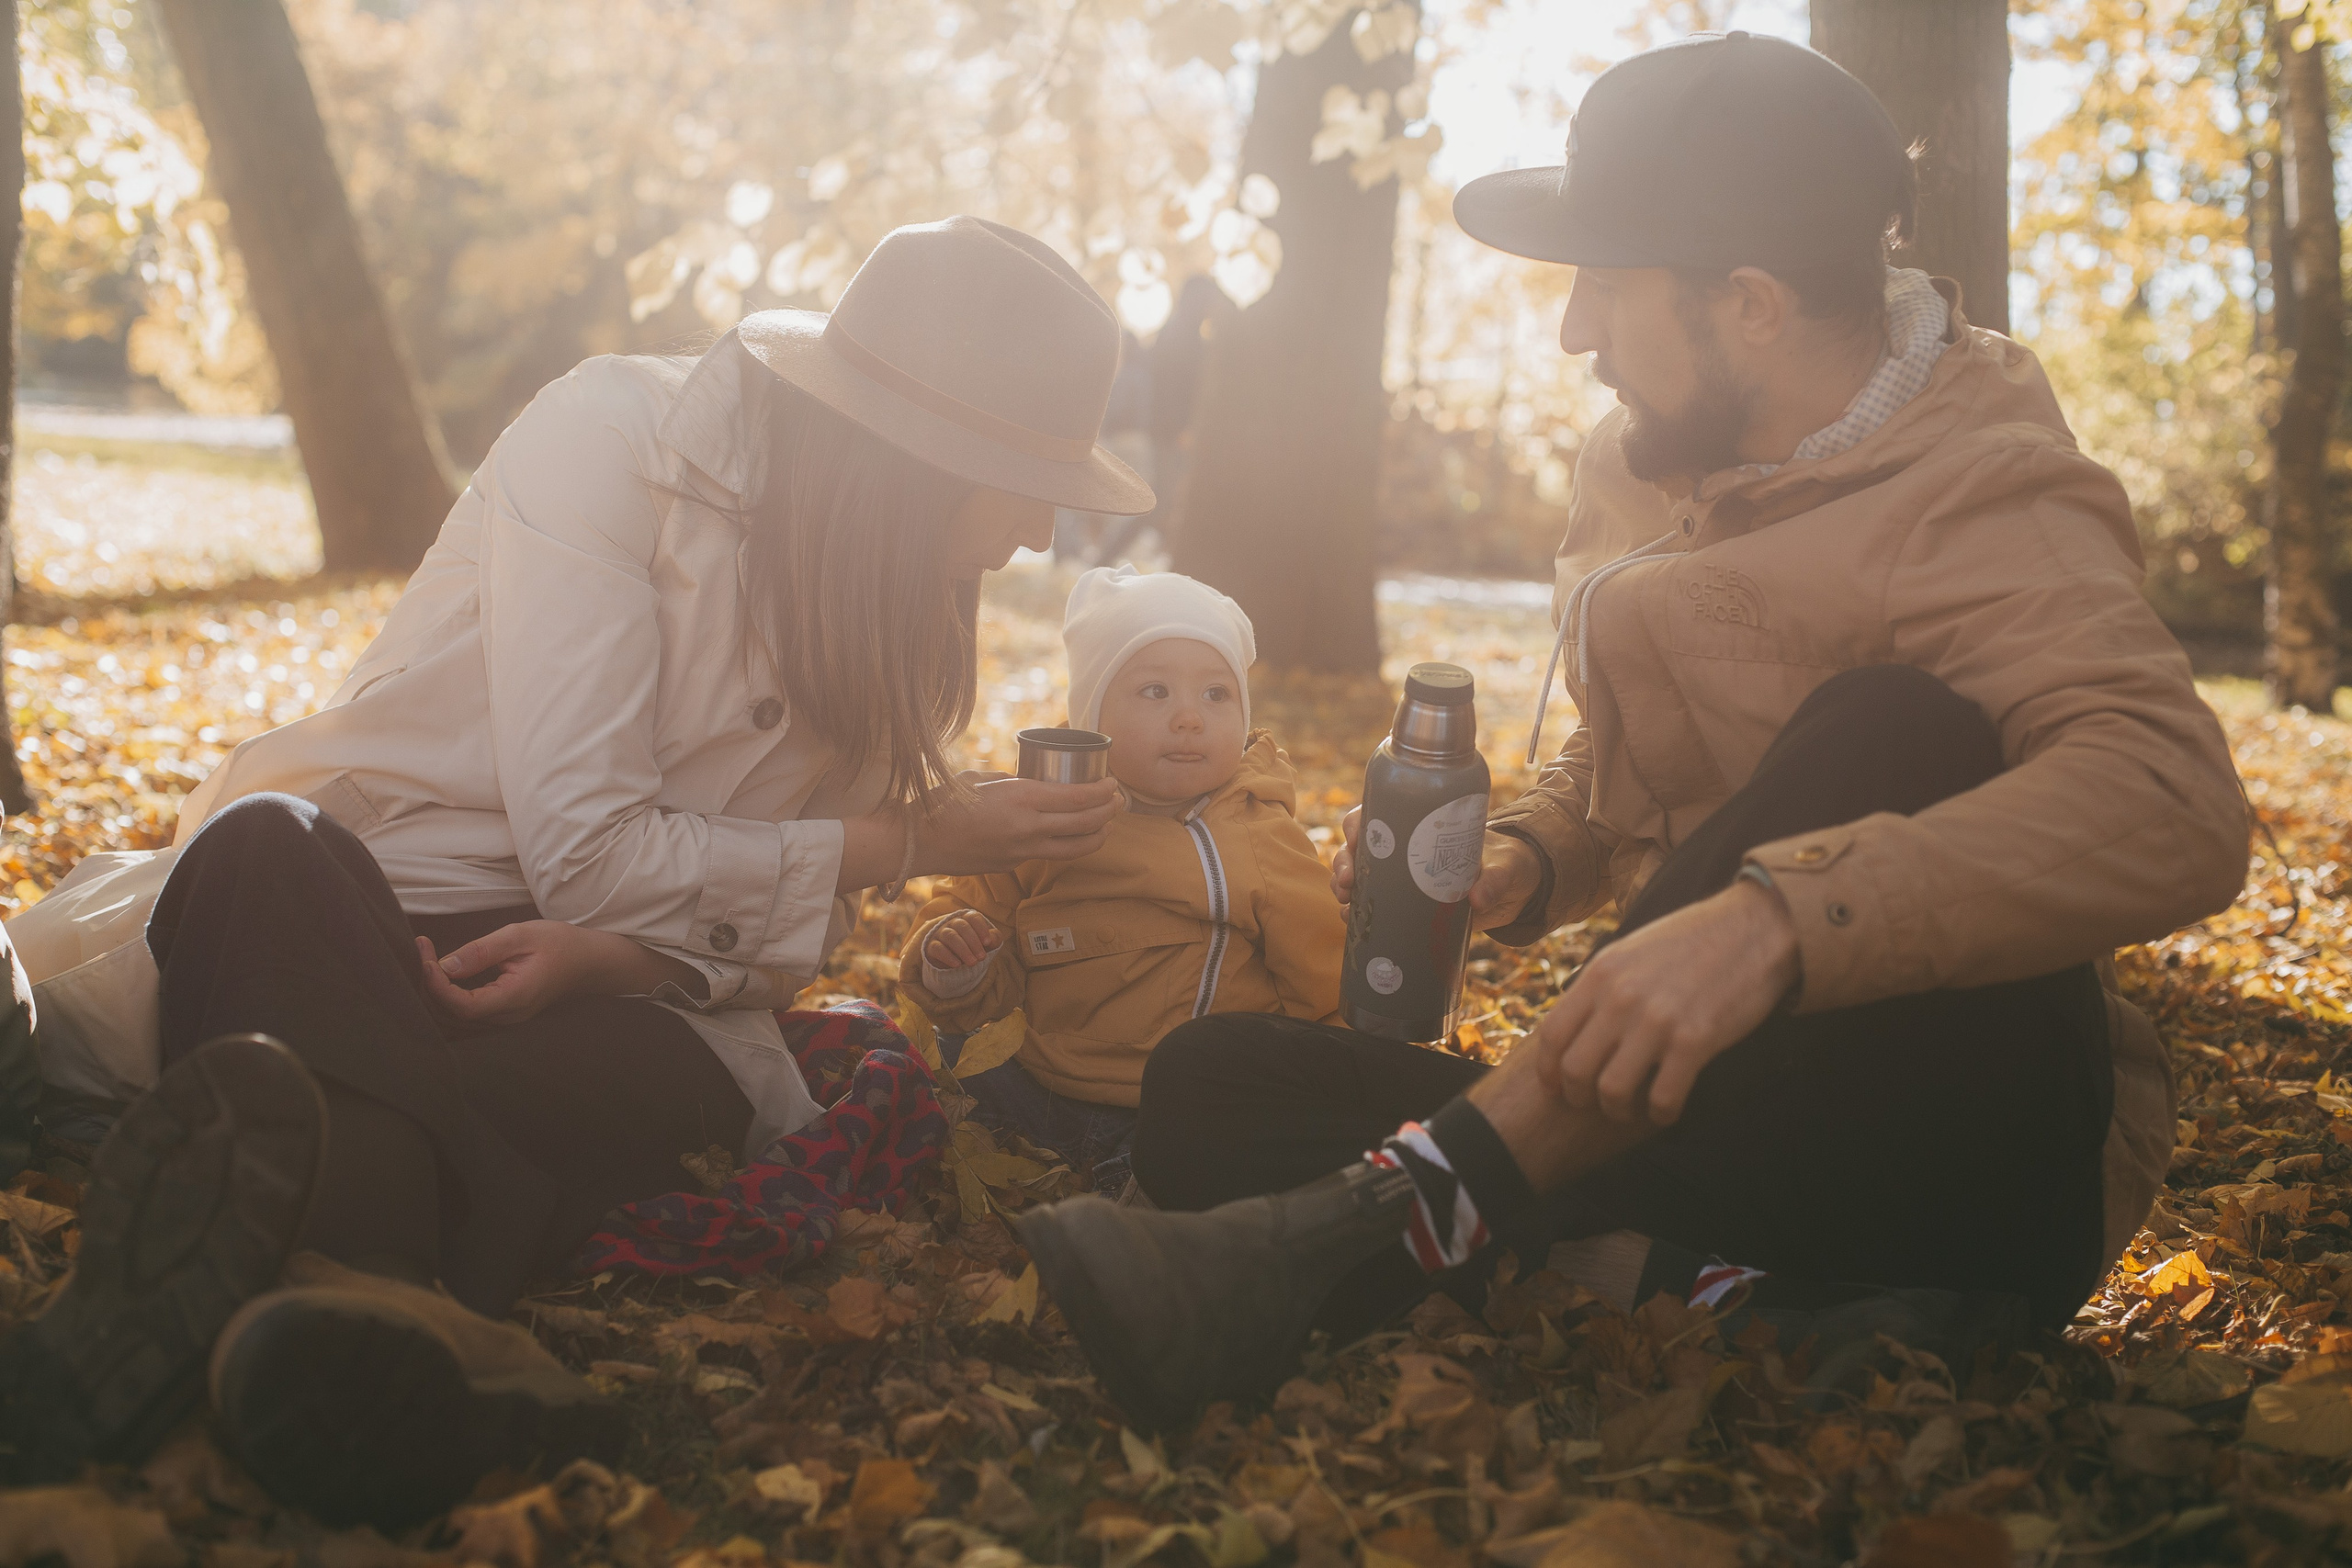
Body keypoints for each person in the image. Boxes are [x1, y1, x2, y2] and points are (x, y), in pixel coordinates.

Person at [1013, 32, 2250, 1432]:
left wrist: (1775, 920)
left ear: (1752, 303)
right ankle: (1723, 1284)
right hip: (1686, 1102)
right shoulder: (1641, 455)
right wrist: (1536, 854)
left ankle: (1386, 1236)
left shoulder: (1987, 488)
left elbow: (2175, 800)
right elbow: (1623, 764)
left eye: (1605, 286)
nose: (1572, 331)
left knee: (1891, 729)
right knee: (1209, 1085)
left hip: (1949, 1132)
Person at [0, 216, 1152, 1519]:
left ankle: (298, 1289)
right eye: (1026, 479)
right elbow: (590, 845)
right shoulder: (614, 444)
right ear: (921, 460)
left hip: (616, 995)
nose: (1048, 529)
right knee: (260, 846)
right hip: (377, 918)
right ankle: (420, 1321)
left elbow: (784, 935)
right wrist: (909, 840)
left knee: (635, 1080)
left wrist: (614, 958)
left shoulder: (889, 601)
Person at [899, 566, 1344, 1186]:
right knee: (912, 1067)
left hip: (1169, 1111)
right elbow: (979, 922)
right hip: (1032, 1078)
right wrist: (957, 959)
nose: (1190, 717)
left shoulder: (1256, 836)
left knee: (1188, 1171)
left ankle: (1130, 1211)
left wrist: (1332, 1089)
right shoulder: (1046, 817)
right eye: (1155, 691)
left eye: (1216, 694)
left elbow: (1323, 977)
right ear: (1092, 715)